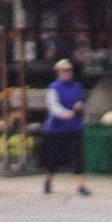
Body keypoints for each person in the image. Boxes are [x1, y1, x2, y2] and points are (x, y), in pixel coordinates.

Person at [41, 58, 91, 196]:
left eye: (70, 70)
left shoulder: (77, 86)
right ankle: (48, 180)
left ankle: (81, 185)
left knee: (77, 157)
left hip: (74, 127)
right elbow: (53, 106)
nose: (68, 72)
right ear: (58, 72)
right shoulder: (53, 88)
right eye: (65, 70)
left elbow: (83, 101)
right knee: (54, 158)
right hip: (57, 128)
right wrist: (64, 113)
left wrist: (80, 107)